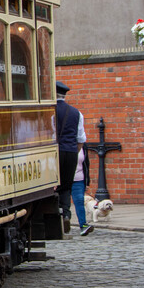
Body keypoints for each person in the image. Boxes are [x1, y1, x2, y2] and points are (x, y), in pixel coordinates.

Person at [54, 81, 84, 227]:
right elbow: (81, 139)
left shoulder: (49, 110)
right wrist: (73, 152)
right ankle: (66, 213)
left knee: (51, 184)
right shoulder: (77, 113)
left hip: (54, 152)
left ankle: (54, 215)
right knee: (66, 185)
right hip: (71, 152)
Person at [72, 143, 93, 235]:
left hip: (79, 179)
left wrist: (87, 181)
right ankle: (64, 224)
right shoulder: (63, 144)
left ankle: (83, 225)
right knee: (63, 203)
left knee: (80, 201)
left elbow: (86, 164)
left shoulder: (83, 146)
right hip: (64, 179)